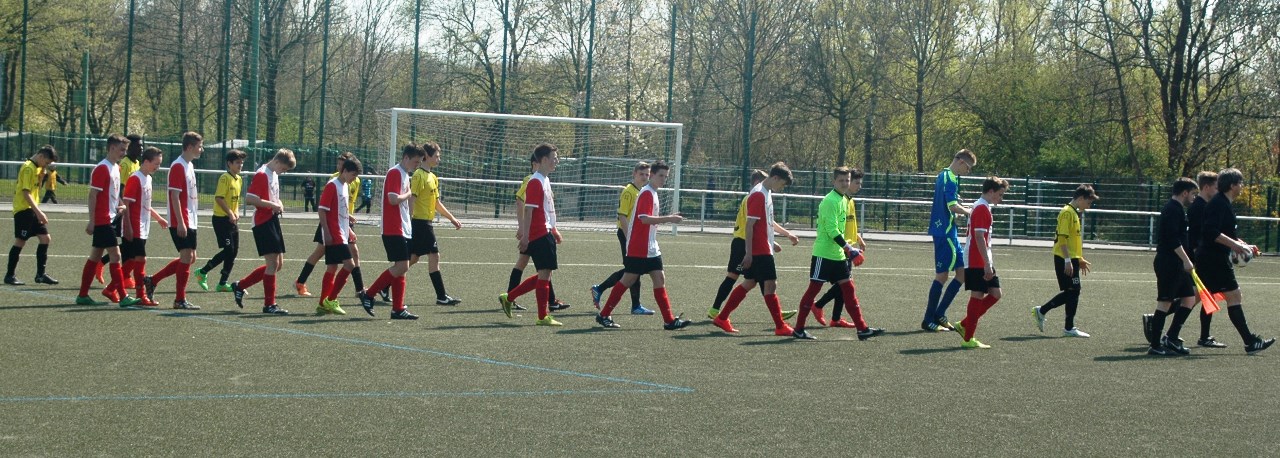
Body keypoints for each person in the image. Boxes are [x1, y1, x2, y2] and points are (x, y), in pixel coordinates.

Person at [593, 160, 692, 330]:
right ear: (652, 175)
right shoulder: (646, 193)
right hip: (640, 246)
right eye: (660, 175)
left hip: (650, 246)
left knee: (659, 278)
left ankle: (669, 321)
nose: (663, 179)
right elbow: (644, 219)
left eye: (666, 176)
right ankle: (603, 315)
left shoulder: (652, 192)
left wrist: (669, 218)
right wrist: (670, 218)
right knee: (628, 280)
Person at [792, 166, 884, 340]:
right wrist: (849, 248)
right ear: (834, 181)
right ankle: (798, 329)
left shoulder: (843, 199)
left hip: (838, 255)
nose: (844, 183)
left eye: (847, 180)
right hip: (824, 255)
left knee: (849, 290)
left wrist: (850, 247)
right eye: (841, 180)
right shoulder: (830, 201)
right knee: (813, 291)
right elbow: (831, 230)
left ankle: (862, 329)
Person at [711, 162, 797, 337]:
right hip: (760, 249)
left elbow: (765, 222)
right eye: (782, 184)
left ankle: (722, 317)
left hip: (763, 247)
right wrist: (749, 253)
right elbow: (749, 225)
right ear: (775, 178)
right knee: (770, 285)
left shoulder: (766, 192)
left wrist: (778, 238)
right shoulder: (758, 194)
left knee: (749, 282)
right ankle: (780, 326)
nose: (781, 188)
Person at [1194, 168, 1274, 354]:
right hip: (1214, 259)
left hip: (1212, 258)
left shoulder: (1224, 203)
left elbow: (1227, 234)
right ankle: (1250, 342)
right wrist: (1236, 246)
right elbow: (1211, 232)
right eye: (1240, 183)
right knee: (1233, 296)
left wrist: (1245, 245)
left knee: (1195, 296)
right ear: (1232, 185)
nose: (1242, 186)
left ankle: (1162, 325)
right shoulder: (1218, 203)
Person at [498, 143, 567, 326]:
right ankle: (542, 316)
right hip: (539, 233)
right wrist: (526, 236)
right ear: (544, 160)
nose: (556, 161)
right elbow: (529, 210)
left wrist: (553, 229)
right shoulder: (535, 181)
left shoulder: (544, 179)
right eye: (554, 158)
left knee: (544, 274)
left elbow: (547, 209)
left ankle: (509, 297)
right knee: (544, 275)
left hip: (545, 231)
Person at [356, 144, 426, 320]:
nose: (417, 165)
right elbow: (393, 199)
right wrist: (408, 194)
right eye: (416, 161)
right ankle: (369, 294)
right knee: (402, 266)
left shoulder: (405, 174)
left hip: (403, 227)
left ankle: (398, 309)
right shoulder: (395, 172)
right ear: (406, 158)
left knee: (402, 268)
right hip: (393, 227)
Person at [230, 149, 297, 315]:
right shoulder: (262, 174)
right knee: (272, 264)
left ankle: (240, 286)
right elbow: (250, 198)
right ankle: (269, 305)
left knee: (277, 265)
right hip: (262, 222)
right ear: (277, 161)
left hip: (271, 220)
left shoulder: (273, 174)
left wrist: (279, 203)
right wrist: (273, 205)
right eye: (284, 169)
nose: (283, 172)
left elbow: (272, 196)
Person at [76, 134, 140, 306]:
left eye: (125, 150)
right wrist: (92, 220)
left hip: (110, 218)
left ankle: (83, 295)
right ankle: (122, 296)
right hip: (102, 220)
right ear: (111, 148)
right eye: (121, 149)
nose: (124, 153)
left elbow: (114, 193)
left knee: (95, 256)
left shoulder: (116, 167)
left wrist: (120, 205)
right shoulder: (102, 168)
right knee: (116, 254)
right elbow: (93, 195)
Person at [144, 131, 204, 310]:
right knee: (186, 257)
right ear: (190, 147)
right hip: (181, 220)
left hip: (190, 219)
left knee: (191, 258)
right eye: (199, 146)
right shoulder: (178, 166)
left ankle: (152, 280)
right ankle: (179, 299)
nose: (201, 150)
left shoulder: (189, 165)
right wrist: (181, 222)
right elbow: (174, 197)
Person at [294, 152, 367, 299]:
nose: (339, 166)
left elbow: (343, 205)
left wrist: (348, 218)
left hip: (343, 223)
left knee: (342, 258)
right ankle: (349, 292)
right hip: (332, 225)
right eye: (338, 164)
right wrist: (327, 231)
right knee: (331, 258)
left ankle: (334, 295)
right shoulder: (334, 182)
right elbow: (325, 207)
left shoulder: (351, 182)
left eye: (341, 163)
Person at [1031, 184, 1099, 338]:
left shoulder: (1073, 212)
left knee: (1072, 291)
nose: (1088, 206)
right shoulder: (1067, 213)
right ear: (1080, 198)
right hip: (1064, 258)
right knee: (1073, 291)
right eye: (1088, 202)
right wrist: (1068, 260)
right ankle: (1045, 313)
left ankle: (1065, 325)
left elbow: (1072, 240)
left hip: (1070, 258)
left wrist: (1078, 258)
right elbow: (1062, 239)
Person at [1143, 178, 1199, 356]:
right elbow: (1172, 239)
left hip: (1178, 263)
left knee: (1189, 299)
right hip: (1169, 262)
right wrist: (1186, 260)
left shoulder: (1178, 209)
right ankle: (1155, 345)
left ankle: (1171, 338)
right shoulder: (1172, 209)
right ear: (1184, 193)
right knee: (1165, 302)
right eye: (1193, 194)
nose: (1194, 197)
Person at [922, 149, 976, 332]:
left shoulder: (944, 175)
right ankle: (928, 319)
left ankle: (939, 314)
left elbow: (950, 203)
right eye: (968, 167)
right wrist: (969, 212)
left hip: (949, 232)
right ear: (960, 162)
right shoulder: (950, 178)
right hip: (944, 233)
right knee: (942, 276)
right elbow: (952, 206)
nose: (968, 171)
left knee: (962, 274)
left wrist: (960, 207)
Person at [590, 162, 653, 316]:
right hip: (627, 235)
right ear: (634, 174)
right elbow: (622, 215)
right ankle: (633, 304)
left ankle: (603, 290)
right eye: (641, 174)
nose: (644, 177)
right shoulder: (629, 191)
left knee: (633, 270)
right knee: (633, 270)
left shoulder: (641, 191)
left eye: (647, 174)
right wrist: (629, 237)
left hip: (634, 236)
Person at [952, 177, 1009, 349]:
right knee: (977, 295)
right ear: (991, 191)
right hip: (977, 259)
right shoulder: (982, 208)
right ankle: (968, 339)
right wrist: (986, 263)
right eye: (1000, 194)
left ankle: (964, 324)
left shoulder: (982, 206)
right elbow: (978, 237)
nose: (1001, 198)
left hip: (981, 259)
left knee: (996, 293)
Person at [407, 141, 463, 305]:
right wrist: (408, 221)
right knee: (434, 255)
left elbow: (437, 203)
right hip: (420, 223)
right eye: (437, 156)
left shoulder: (433, 177)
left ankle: (385, 286)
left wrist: (452, 219)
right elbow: (412, 199)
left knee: (413, 258)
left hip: (426, 222)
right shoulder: (418, 175)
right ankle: (441, 296)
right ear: (427, 156)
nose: (439, 159)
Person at [811, 167, 868, 327]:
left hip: (848, 247)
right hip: (841, 248)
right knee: (845, 284)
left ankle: (835, 319)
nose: (858, 186)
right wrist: (846, 246)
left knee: (845, 285)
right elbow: (834, 228)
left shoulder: (849, 201)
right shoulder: (838, 201)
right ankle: (818, 306)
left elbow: (850, 223)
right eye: (856, 183)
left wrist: (858, 238)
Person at [121, 147, 169, 306]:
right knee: (141, 259)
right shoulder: (135, 178)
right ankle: (141, 295)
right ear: (146, 161)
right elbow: (126, 204)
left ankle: (112, 287)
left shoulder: (148, 178)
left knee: (132, 261)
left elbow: (146, 205)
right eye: (156, 163)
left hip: (143, 226)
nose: (158, 167)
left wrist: (158, 218)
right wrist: (127, 226)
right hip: (134, 226)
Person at [1185, 171, 1227, 348]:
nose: (1218, 190)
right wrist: (1197, 258)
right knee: (1193, 298)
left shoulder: (1205, 206)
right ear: (1207, 187)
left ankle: (1204, 336)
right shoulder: (1199, 207)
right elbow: (1195, 236)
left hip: (1204, 258)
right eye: (1216, 187)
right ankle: (1159, 318)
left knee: (1205, 297)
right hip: (1200, 259)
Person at [315, 158, 363, 316]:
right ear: (345, 171)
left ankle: (322, 304)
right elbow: (322, 210)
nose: (354, 179)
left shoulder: (345, 186)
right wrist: (327, 232)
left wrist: (349, 229)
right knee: (349, 264)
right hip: (335, 233)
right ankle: (331, 299)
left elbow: (341, 212)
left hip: (342, 231)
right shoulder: (332, 185)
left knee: (332, 267)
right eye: (353, 175)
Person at [6, 145, 59, 286]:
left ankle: (40, 275)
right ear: (41, 156)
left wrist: (42, 176)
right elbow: (26, 193)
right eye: (46, 162)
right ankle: (9, 275)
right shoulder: (28, 168)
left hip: (31, 210)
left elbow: (36, 188)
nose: (46, 165)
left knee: (45, 238)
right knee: (20, 241)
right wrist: (39, 212)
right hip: (24, 210)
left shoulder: (37, 168)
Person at [195, 150, 246, 292]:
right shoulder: (225, 178)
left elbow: (235, 200)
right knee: (229, 250)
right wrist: (229, 213)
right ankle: (202, 272)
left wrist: (235, 212)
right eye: (237, 162)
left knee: (234, 251)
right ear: (229, 163)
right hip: (221, 219)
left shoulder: (239, 179)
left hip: (231, 220)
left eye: (242, 162)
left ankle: (223, 283)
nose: (240, 165)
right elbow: (219, 198)